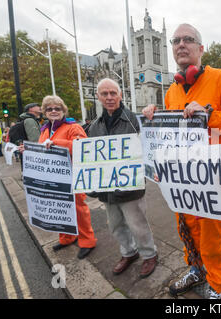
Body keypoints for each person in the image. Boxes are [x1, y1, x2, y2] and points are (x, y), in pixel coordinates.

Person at [142, 23, 221, 299]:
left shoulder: (220, 78)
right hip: (182, 178)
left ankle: (218, 284)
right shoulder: (172, 91)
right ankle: (197, 270)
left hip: (212, 176)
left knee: (211, 234)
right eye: (176, 40)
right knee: (186, 229)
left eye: (188, 39)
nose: (180, 44)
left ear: (201, 49)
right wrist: (153, 118)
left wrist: (209, 114)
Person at [88, 78, 158, 278]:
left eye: (113, 93)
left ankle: (149, 254)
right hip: (107, 187)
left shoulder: (135, 120)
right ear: (98, 97)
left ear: (120, 95)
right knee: (116, 225)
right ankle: (129, 253)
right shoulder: (94, 126)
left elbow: (150, 143)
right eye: (104, 94)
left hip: (130, 186)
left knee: (138, 224)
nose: (109, 97)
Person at [19, 95, 97, 259]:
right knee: (60, 206)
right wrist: (28, 151)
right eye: (49, 109)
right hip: (53, 178)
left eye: (57, 108)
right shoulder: (45, 129)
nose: (53, 111)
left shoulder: (73, 127)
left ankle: (87, 241)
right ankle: (67, 237)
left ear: (63, 110)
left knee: (78, 209)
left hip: (72, 176)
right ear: (45, 112)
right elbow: (42, 150)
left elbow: (84, 146)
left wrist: (59, 143)